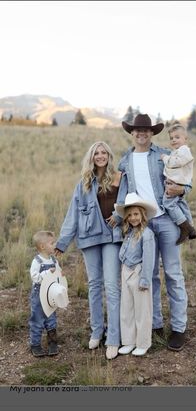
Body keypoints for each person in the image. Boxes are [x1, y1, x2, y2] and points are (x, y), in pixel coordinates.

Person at [115, 113, 190, 352]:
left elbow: (184, 179)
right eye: (137, 130)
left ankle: (179, 328)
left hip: (166, 220)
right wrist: (118, 217)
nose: (141, 133)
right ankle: (156, 324)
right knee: (150, 276)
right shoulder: (125, 160)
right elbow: (123, 192)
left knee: (173, 274)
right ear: (132, 133)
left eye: (145, 130)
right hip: (142, 226)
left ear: (151, 133)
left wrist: (182, 190)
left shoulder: (163, 156)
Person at [55, 141, 122, 360]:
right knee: (94, 285)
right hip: (89, 237)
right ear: (91, 157)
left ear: (109, 155)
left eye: (104, 153)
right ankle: (96, 330)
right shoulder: (83, 183)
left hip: (112, 237)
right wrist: (62, 243)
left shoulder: (119, 177)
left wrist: (120, 216)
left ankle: (113, 338)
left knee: (111, 286)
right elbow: (72, 215)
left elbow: (128, 202)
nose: (100, 156)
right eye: (96, 153)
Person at [114, 193, 156, 357]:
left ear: (143, 215)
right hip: (126, 271)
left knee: (142, 309)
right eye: (129, 215)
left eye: (136, 214)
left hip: (139, 272)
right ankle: (129, 341)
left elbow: (148, 259)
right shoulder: (128, 232)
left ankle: (143, 342)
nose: (132, 218)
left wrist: (145, 280)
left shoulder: (147, 234)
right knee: (127, 308)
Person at [161, 123, 196, 245]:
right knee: (181, 203)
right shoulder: (177, 151)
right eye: (171, 138)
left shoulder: (184, 150)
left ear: (185, 139)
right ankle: (191, 227)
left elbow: (176, 163)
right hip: (178, 181)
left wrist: (165, 158)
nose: (174, 140)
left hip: (178, 183)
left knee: (168, 203)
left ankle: (185, 227)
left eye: (177, 137)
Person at [29, 230, 62, 357]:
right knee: (37, 319)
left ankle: (52, 342)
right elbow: (35, 277)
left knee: (51, 317)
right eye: (52, 243)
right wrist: (47, 273)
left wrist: (60, 274)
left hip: (51, 294)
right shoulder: (37, 261)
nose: (54, 245)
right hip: (38, 296)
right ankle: (35, 344)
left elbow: (57, 273)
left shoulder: (53, 260)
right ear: (43, 246)